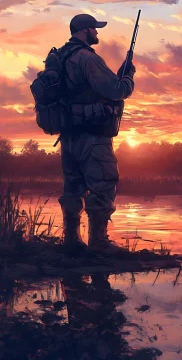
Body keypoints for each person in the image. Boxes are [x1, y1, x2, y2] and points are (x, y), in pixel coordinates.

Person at [57, 13, 135, 256]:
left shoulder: (60, 57)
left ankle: (71, 241)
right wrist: (127, 77)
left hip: (68, 136)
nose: (97, 32)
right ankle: (99, 243)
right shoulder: (87, 58)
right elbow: (116, 90)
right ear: (84, 31)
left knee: (73, 188)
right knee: (103, 184)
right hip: (92, 135)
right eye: (94, 28)